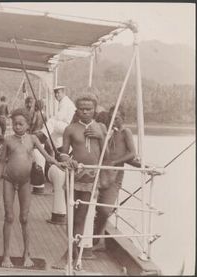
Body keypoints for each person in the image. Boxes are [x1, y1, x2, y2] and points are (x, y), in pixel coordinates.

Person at [0, 108, 65, 268]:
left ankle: (27, 254)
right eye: (15, 124)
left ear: (27, 125)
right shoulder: (8, 140)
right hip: (8, 181)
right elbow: (2, 162)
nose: (17, 127)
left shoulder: (32, 139)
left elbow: (47, 156)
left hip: (25, 181)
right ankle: (6, 255)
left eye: (20, 124)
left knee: (24, 218)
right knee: (9, 217)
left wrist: (59, 163)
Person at [52, 93, 107, 269]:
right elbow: (63, 152)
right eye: (81, 109)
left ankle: (72, 253)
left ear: (95, 110)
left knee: (81, 217)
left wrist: (100, 136)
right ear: (77, 110)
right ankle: (72, 252)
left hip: (92, 177)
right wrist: (68, 160)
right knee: (71, 216)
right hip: (74, 176)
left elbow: (108, 156)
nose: (85, 112)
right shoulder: (71, 128)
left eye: (89, 109)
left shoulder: (101, 127)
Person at [93, 105, 136, 250]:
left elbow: (132, 154)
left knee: (105, 210)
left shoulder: (125, 132)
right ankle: (96, 240)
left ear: (123, 118)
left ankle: (98, 240)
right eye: (111, 117)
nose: (113, 120)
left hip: (115, 174)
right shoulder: (106, 131)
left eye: (116, 118)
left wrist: (116, 162)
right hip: (100, 173)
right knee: (95, 207)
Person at [41, 86, 76, 150]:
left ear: (63, 93)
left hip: (68, 126)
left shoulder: (65, 102)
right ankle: (58, 148)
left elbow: (60, 116)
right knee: (53, 134)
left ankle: (42, 138)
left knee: (51, 122)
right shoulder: (64, 101)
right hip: (66, 126)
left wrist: (48, 121)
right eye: (55, 93)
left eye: (58, 93)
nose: (56, 95)